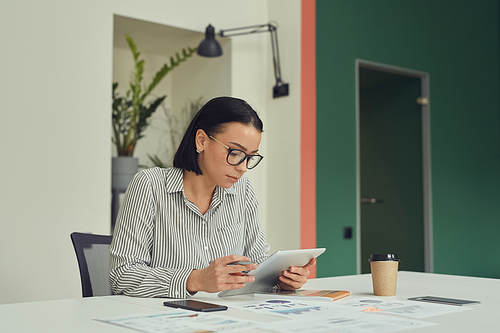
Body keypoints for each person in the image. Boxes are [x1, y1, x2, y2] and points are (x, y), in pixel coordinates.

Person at [109, 96, 316, 298]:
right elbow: (122, 274)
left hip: (228, 318)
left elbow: (257, 264)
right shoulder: (150, 186)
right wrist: (196, 280)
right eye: (235, 152)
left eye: (250, 157)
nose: (243, 167)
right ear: (201, 140)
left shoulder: (242, 190)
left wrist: (281, 280)